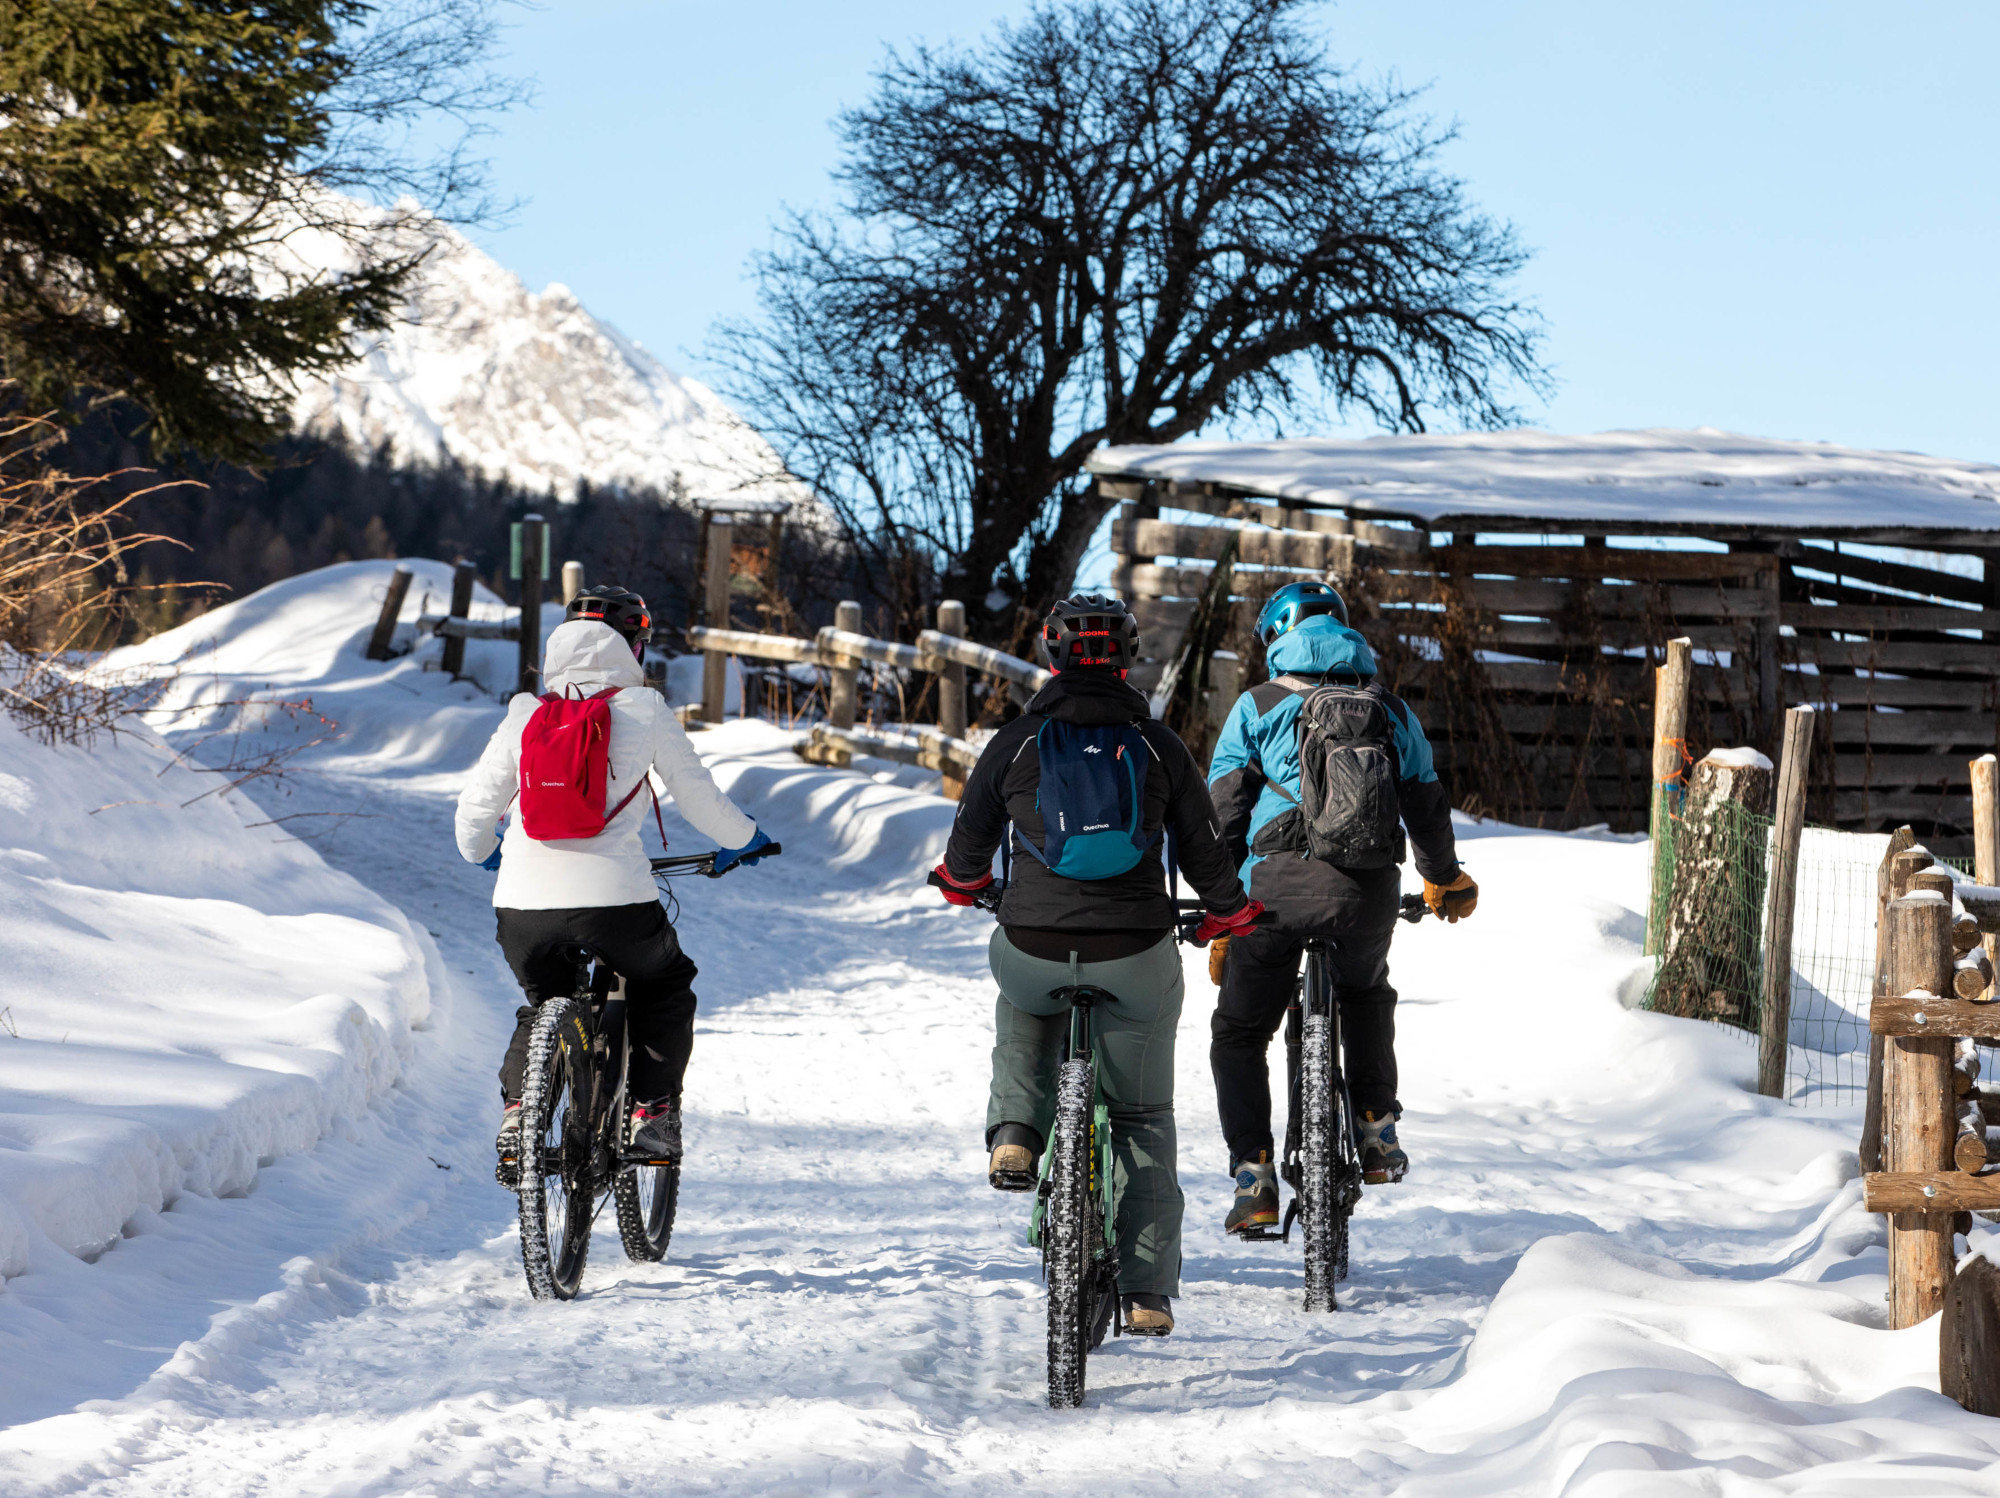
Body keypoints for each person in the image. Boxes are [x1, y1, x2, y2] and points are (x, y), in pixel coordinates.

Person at [932, 593, 1263, 1337]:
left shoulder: (1017, 741)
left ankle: (1017, 1130)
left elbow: (965, 854)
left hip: (1034, 942)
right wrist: (1228, 914)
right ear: (1127, 656)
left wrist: (969, 886)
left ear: (1051, 653)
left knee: (1023, 1003)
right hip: (1136, 948)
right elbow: (1208, 857)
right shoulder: (1157, 745)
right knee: (1142, 1114)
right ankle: (1147, 1291)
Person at [455, 585, 775, 1178]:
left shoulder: (524, 714)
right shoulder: (644, 710)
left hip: (522, 908)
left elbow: (470, 824)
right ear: (634, 648)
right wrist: (746, 840)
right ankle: (650, 1114)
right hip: (616, 905)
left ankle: (521, 1110)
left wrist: (493, 857)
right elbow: (702, 804)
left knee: (545, 1002)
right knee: (666, 983)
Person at [1206, 581, 1476, 1236]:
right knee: (1366, 994)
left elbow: (1224, 815)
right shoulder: (1388, 708)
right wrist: (1444, 879)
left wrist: (1222, 909)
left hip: (1272, 892)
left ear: (1277, 639)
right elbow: (1427, 805)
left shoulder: (1257, 705)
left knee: (1240, 1030)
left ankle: (1254, 1177)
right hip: (1366, 892)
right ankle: (1377, 1130)